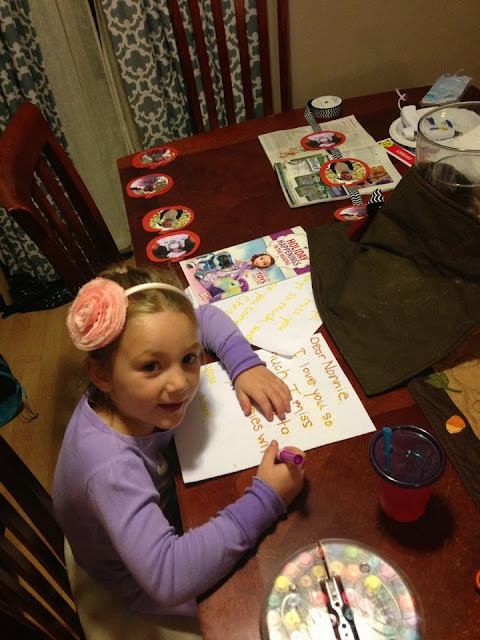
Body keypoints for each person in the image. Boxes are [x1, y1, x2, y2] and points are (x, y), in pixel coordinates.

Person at [53, 265, 305, 624]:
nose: (180, 384)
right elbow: (168, 577)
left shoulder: (131, 397)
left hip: (163, 510)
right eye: (151, 367)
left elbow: (207, 317)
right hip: (140, 583)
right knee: (271, 595)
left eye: (189, 359)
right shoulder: (110, 468)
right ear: (102, 375)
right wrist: (267, 498)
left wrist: (245, 365)